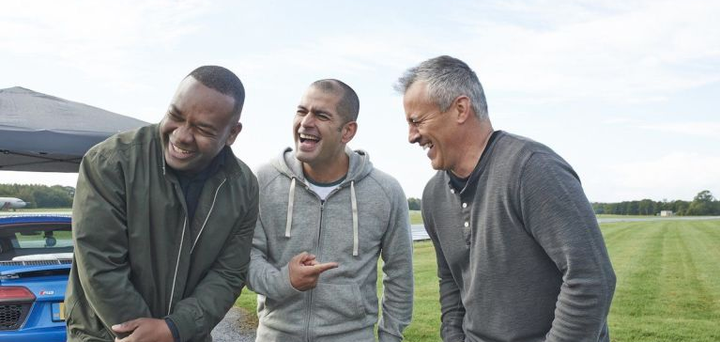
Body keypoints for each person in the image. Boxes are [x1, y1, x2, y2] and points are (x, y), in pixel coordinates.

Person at [395, 55, 616, 342]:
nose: (412, 136)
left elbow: (590, 278)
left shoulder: (532, 169)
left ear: (460, 109)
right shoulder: (433, 195)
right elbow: (450, 281)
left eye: (417, 121)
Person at [65, 65, 259, 342]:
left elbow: (228, 273)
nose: (181, 135)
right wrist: (147, 335)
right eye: (175, 116)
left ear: (232, 133)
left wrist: (175, 328)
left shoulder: (243, 186)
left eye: (202, 128)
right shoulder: (110, 162)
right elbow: (101, 265)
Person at [247, 79, 414, 342]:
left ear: (347, 131)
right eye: (302, 111)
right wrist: (285, 280)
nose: (305, 123)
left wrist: (390, 336)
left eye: (321, 115)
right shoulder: (262, 181)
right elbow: (246, 258)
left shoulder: (386, 191)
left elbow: (400, 274)